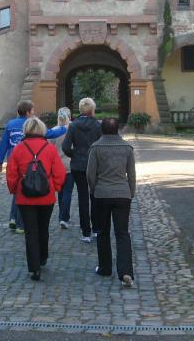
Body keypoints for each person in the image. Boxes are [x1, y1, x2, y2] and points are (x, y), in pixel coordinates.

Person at [6, 116, 66, 281]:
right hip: (46, 196)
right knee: (43, 228)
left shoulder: (18, 149)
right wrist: (55, 187)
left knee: (30, 231)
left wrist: (14, 190)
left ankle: (34, 268)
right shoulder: (49, 148)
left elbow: (11, 173)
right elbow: (59, 172)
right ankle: (43, 257)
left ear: (25, 130)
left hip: (25, 196)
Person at [86, 117, 136, 287]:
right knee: (122, 233)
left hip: (102, 193)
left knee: (103, 232)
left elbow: (90, 174)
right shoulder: (127, 148)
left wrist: (94, 189)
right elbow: (132, 174)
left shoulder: (96, 147)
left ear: (102, 130)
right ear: (117, 130)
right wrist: (130, 192)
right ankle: (126, 272)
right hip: (122, 193)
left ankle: (105, 267)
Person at [62, 97, 102, 243]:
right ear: (92, 109)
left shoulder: (73, 125)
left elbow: (65, 147)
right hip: (95, 165)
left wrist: (75, 154)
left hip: (78, 166)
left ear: (80, 109)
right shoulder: (98, 125)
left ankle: (86, 232)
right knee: (95, 197)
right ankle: (96, 229)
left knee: (82, 198)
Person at [0, 99, 34, 234]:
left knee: (17, 190)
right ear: (28, 112)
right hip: (25, 163)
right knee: (22, 191)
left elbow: (3, 144)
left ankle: (12, 218)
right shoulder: (31, 124)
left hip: (12, 161)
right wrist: (63, 128)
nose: (33, 112)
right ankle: (19, 222)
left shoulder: (11, 124)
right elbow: (48, 133)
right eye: (32, 110)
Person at [48, 107, 73, 229]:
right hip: (69, 164)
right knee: (68, 192)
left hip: (57, 166)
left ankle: (61, 216)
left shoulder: (53, 131)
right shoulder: (72, 129)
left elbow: (49, 149)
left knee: (60, 192)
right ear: (70, 116)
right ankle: (64, 217)